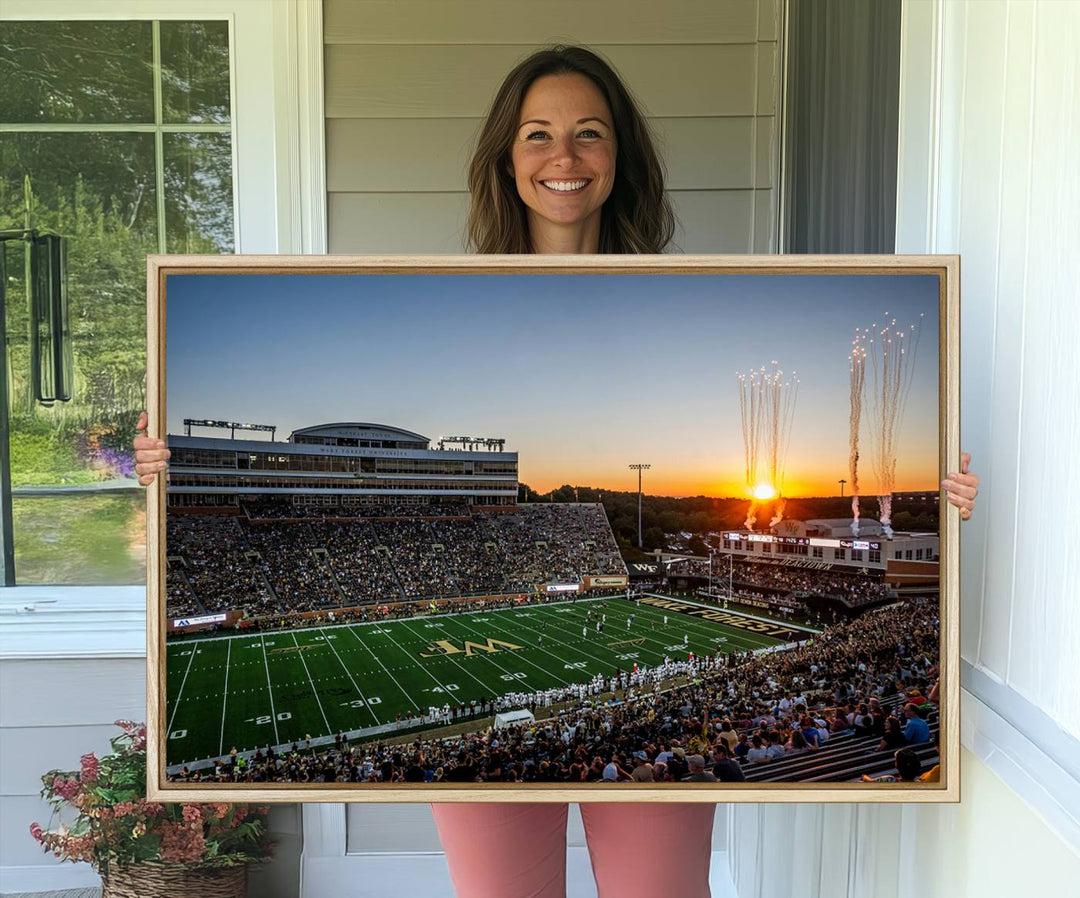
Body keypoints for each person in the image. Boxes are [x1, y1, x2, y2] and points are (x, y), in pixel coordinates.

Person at [135, 43, 981, 898]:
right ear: (507, 157)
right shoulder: (445, 295)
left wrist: (939, 507)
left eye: (589, 133)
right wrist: (170, 470)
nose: (563, 157)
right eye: (537, 134)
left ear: (621, 158)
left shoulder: (678, 296)